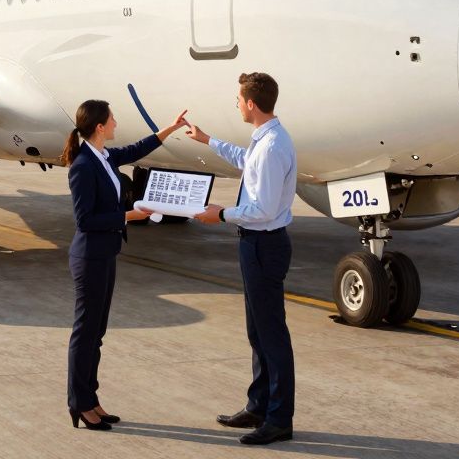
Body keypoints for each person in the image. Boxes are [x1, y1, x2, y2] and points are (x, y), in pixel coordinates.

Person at [185, 72, 298, 446]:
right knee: (257, 331)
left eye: (238, 99)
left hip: (264, 245)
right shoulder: (264, 140)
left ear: (251, 103)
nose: (236, 104)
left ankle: (279, 419)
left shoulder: (272, 147)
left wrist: (219, 214)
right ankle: (259, 406)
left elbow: (263, 210)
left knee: (272, 335)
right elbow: (244, 159)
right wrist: (207, 140)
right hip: (255, 244)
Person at [62, 100, 189, 431]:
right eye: (112, 119)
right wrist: (128, 216)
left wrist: (170, 129)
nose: (116, 123)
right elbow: (85, 220)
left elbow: (136, 150)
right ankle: (79, 403)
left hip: (105, 253)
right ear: (100, 126)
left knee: (97, 333)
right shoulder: (83, 166)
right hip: (89, 257)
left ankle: (91, 399)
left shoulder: (104, 157)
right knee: (85, 333)